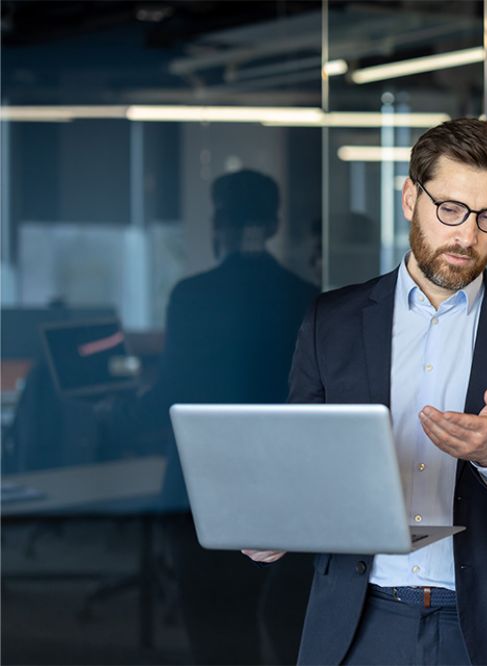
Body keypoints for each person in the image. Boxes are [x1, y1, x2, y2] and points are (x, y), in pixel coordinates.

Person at [244, 118, 487, 666]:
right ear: (410, 198)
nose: (468, 235)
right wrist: (277, 522)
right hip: (356, 618)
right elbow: (301, 461)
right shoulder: (330, 320)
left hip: (485, 625)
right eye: (449, 208)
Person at [109, 169, 319, 664]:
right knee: (288, 628)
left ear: (218, 222)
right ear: (272, 224)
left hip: (203, 487)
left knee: (217, 634)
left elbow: (174, 395)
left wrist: (114, 417)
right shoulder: (307, 295)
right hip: (285, 486)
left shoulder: (193, 295)